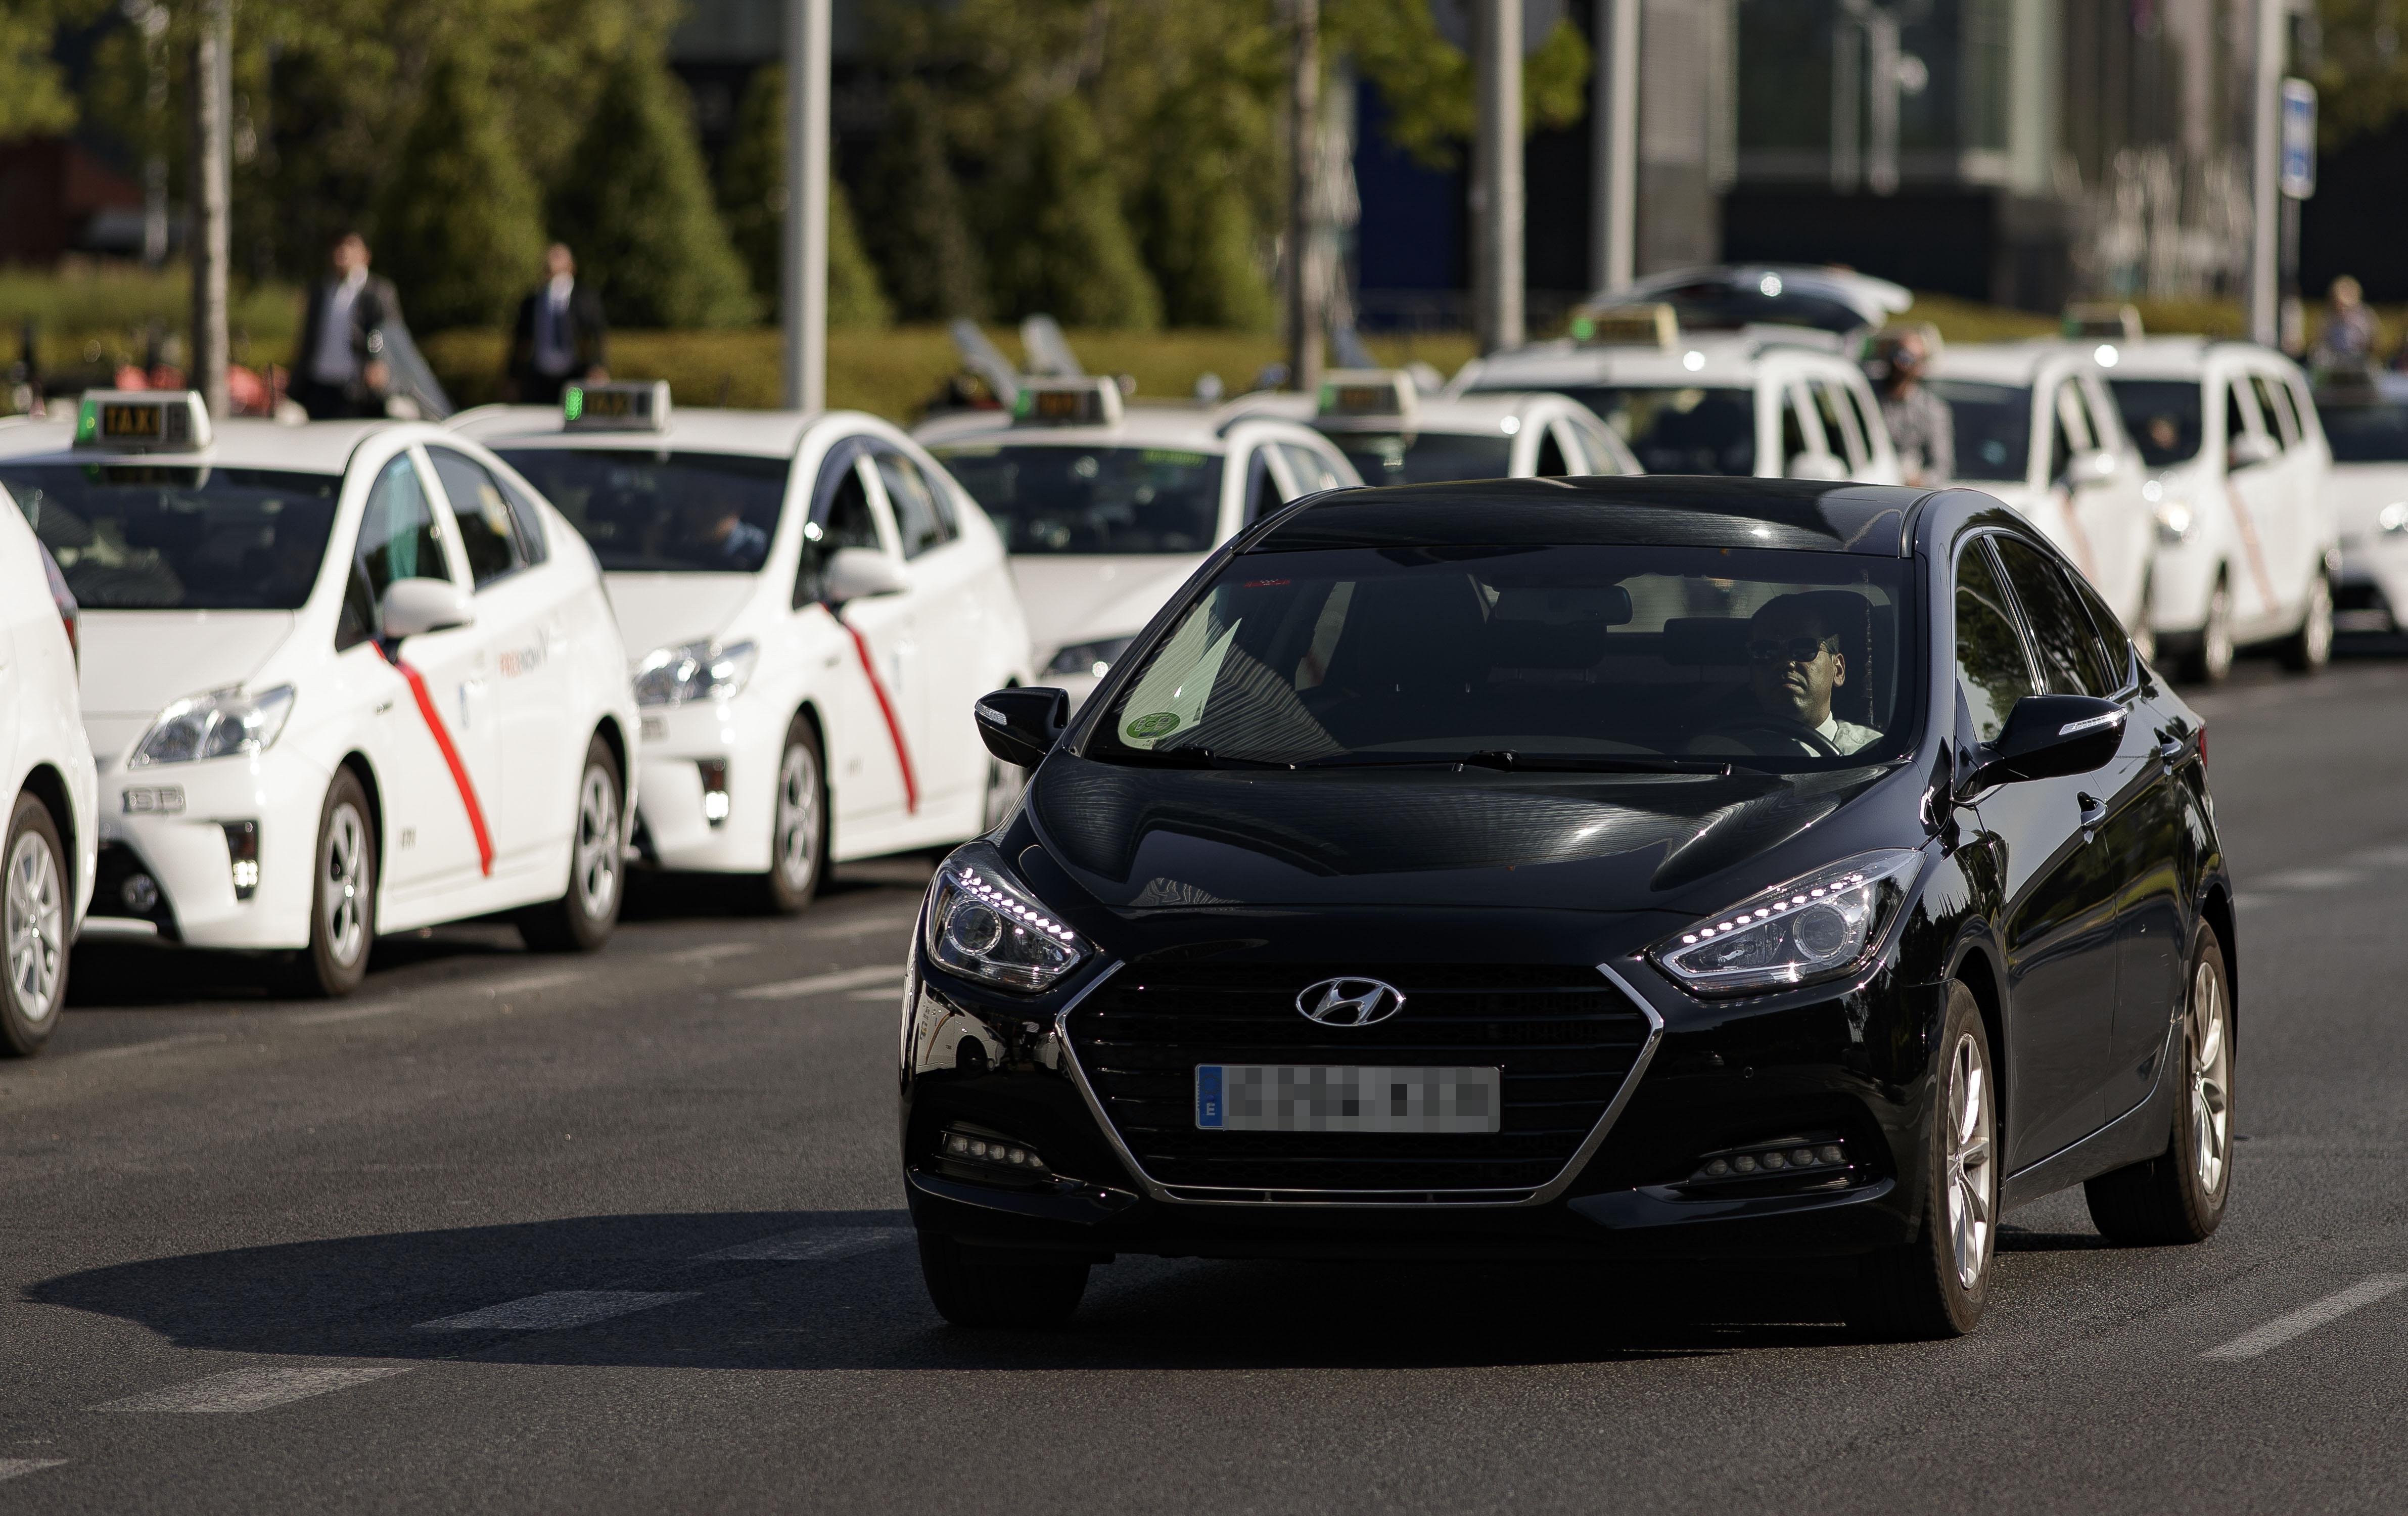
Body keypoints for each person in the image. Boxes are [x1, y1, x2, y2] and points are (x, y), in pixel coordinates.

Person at [1739, 595, 1882, 755]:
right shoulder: (1723, 754)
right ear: (1751, 674)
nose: (1785, 663)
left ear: (1838, 670)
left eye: (1804, 649)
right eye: (1765, 651)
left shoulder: (1875, 754)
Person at [291, 231, 399, 420]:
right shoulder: (320, 289)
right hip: (320, 386)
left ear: (366, 255)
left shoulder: (378, 291)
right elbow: (308, 337)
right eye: (338, 246)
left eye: (350, 245)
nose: (342, 251)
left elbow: (388, 332)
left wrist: (378, 360)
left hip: (357, 390)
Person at [507, 244, 609, 404]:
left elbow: (596, 336)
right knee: (539, 421)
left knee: (573, 418)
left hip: (574, 378)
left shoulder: (585, 299)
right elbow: (520, 342)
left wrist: (597, 366)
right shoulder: (532, 302)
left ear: (571, 267)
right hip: (539, 379)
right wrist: (513, 377)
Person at [1874, 326, 1952, 486]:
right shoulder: (1869, 397)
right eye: (1896, 354)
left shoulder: (1932, 410)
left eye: (1907, 358)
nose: (1899, 364)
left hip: (1905, 493)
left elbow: (1942, 467)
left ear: (1920, 364)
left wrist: (1917, 481)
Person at [2312, 275, 2379, 377]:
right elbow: (2319, 342)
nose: (2342, 309)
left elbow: (2375, 343)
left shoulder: (2366, 317)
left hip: (2359, 364)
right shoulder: (2327, 318)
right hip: (2334, 364)